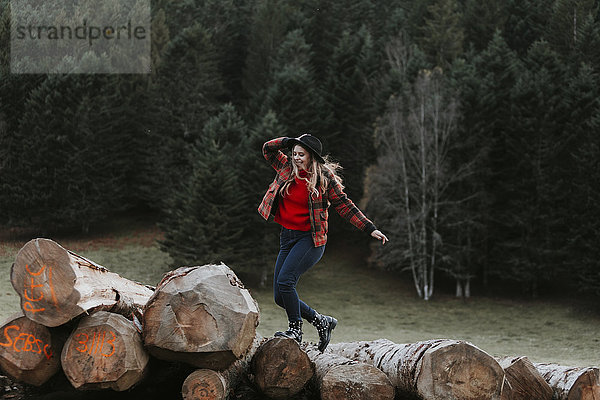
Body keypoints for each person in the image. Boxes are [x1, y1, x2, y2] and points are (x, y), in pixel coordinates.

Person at [258, 133, 388, 352]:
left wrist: (370, 228)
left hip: (310, 240)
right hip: (287, 237)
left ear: (312, 157)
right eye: (294, 153)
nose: (296, 158)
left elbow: (345, 206)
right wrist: (287, 142)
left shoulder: (323, 178)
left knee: (285, 282)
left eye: (301, 154)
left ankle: (295, 330)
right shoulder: (286, 167)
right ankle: (321, 321)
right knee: (280, 297)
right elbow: (267, 149)